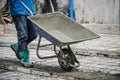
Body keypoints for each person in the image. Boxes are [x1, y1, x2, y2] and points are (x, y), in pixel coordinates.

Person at [8, 0, 38, 68]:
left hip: (30, 10)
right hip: (18, 9)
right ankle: (25, 58)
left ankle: (18, 46)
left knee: (34, 34)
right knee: (23, 36)